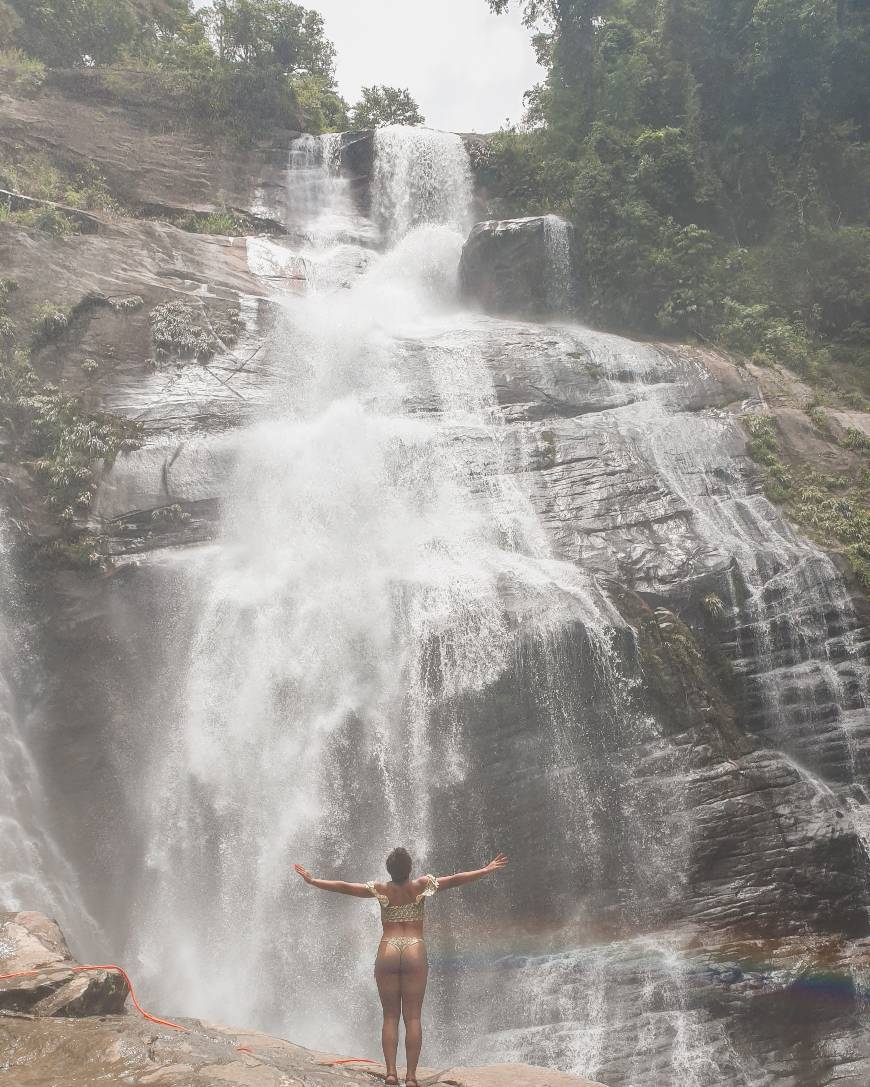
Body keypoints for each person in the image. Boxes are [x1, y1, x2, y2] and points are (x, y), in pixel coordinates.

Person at [294, 847, 509, 1087]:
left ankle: (390, 1075)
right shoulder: (422, 885)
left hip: (388, 948)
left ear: (389, 869)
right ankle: (411, 1078)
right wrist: (485, 869)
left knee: (390, 1016)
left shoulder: (381, 889)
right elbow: (456, 880)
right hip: (414, 948)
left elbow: (344, 886)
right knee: (413, 1017)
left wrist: (313, 881)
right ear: (410, 868)